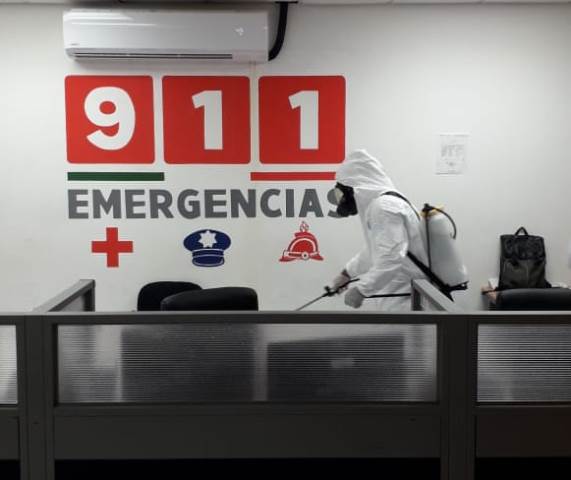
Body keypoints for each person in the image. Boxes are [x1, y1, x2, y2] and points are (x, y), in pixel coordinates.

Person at [330, 149, 428, 311]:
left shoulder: (384, 207)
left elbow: (392, 255)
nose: (342, 200)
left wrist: (362, 289)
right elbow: (375, 251)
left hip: (406, 298)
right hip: (401, 293)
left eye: (341, 193)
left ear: (355, 187)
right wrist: (347, 273)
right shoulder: (385, 204)